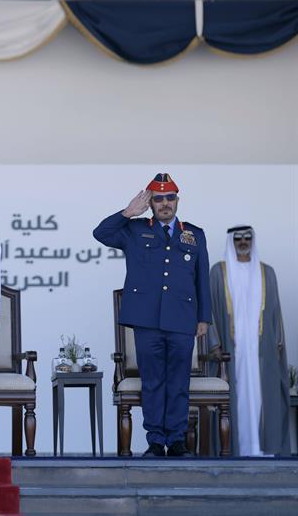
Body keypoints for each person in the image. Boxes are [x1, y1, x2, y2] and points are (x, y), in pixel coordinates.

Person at [93, 173, 210, 457]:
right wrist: (127, 211)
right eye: (158, 199)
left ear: (177, 201)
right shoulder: (133, 230)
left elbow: (201, 279)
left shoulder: (194, 234)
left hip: (182, 319)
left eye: (170, 198)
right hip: (148, 320)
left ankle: (178, 439)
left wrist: (204, 317)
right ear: (151, 203)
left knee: (179, 382)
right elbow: (101, 233)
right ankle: (156, 440)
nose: (165, 203)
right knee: (154, 381)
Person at [208, 226, 290, 456]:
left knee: (262, 398)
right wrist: (215, 346)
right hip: (230, 354)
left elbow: (276, 315)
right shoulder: (218, 272)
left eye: (247, 238)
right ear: (231, 242)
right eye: (238, 239)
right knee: (236, 399)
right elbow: (209, 314)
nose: (243, 242)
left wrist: (277, 346)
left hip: (260, 353)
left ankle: (263, 449)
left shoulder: (267, 273)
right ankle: (233, 449)